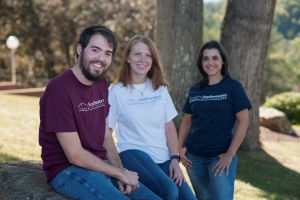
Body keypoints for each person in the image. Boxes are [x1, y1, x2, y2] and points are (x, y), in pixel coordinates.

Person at [39, 25, 162, 200]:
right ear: (80, 49)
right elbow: (75, 155)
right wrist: (118, 174)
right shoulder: (59, 90)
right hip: (67, 170)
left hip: (100, 164)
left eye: (107, 53)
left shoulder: (100, 84)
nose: (101, 58)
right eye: (95, 50)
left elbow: (105, 135)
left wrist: (120, 171)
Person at [108, 35, 196, 200]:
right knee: (170, 191)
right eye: (137, 54)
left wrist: (174, 160)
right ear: (127, 58)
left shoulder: (160, 89)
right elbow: (106, 132)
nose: (143, 59)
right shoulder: (116, 91)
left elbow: (169, 127)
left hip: (163, 158)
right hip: (133, 155)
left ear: (153, 60)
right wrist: (118, 169)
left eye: (148, 55)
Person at [178, 40, 252, 200]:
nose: (210, 62)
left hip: (219, 158)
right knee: (203, 197)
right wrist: (180, 148)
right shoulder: (195, 89)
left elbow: (244, 121)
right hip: (194, 159)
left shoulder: (233, 87)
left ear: (222, 61)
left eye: (215, 58)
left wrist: (229, 154)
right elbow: (186, 121)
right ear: (201, 62)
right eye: (206, 58)